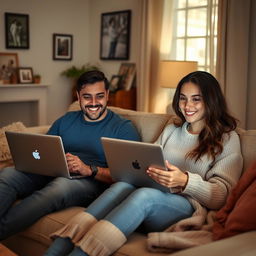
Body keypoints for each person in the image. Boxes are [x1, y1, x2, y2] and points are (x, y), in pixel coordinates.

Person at [44, 71, 243, 256]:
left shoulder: (227, 139)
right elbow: (147, 160)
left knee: (144, 195)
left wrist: (185, 181)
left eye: (196, 99)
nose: (187, 105)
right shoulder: (172, 130)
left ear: (211, 100)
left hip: (188, 207)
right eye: (183, 98)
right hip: (154, 192)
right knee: (123, 185)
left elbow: (223, 196)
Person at [0, 70, 140, 240]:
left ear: (108, 95)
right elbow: (43, 150)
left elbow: (130, 176)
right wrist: (37, 159)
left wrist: (89, 169)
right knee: (8, 174)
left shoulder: (123, 128)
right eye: (87, 97)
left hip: (89, 181)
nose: (94, 103)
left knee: (59, 187)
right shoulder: (66, 120)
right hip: (52, 170)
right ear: (78, 96)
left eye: (100, 96)